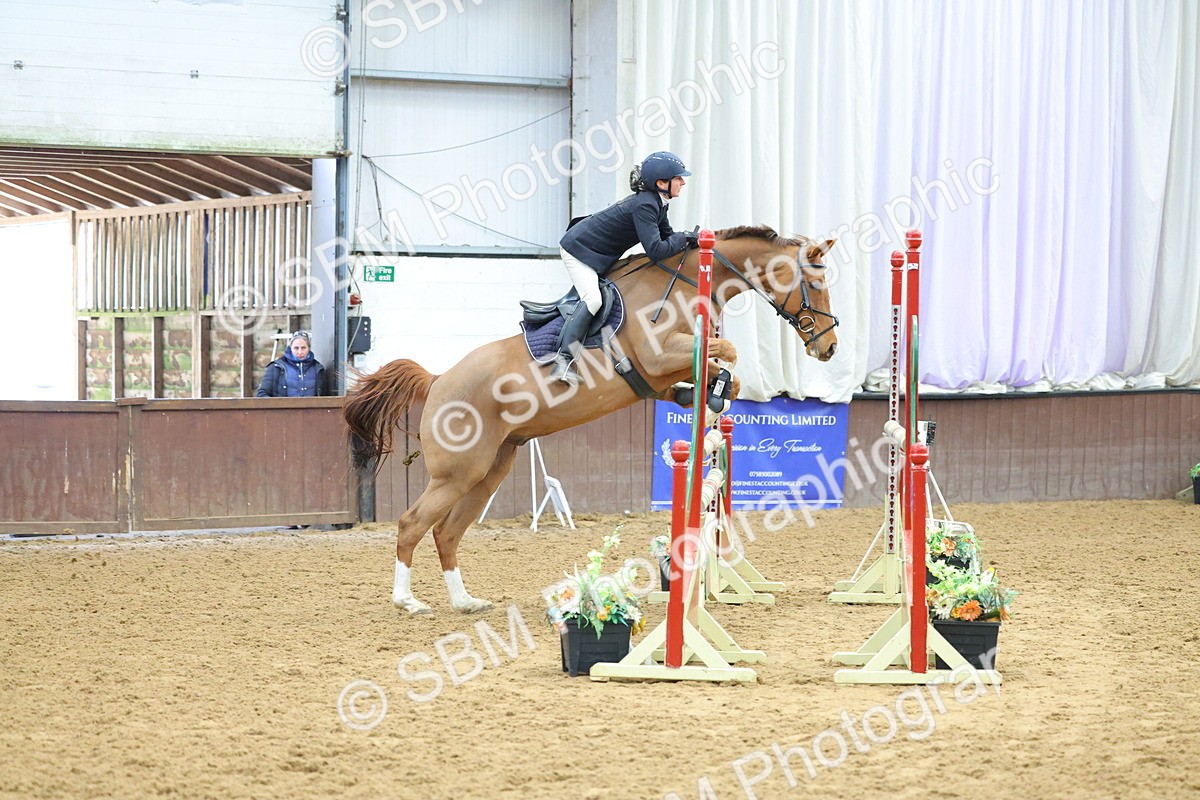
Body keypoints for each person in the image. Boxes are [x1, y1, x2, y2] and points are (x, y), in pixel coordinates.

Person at [554, 150, 697, 383]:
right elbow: (657, 250)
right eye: (678, 178)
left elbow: (668, 238)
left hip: (599, 253)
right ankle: (563, 361)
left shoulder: (658, 203)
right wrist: (684, 237)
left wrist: (688, 242)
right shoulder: (645, 205)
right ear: (661, 183)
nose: (682, 182)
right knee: (593, 300)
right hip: (579, 250)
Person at [256, 331, 331, 397]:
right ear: (290, 348)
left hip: (312, 412)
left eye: (303, 348)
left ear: (309, 348)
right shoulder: (276, 367)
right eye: (296, 348)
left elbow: (325, 397)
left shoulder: (318, 369)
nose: (300, 352)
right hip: (283, 412)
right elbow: (262, 393)